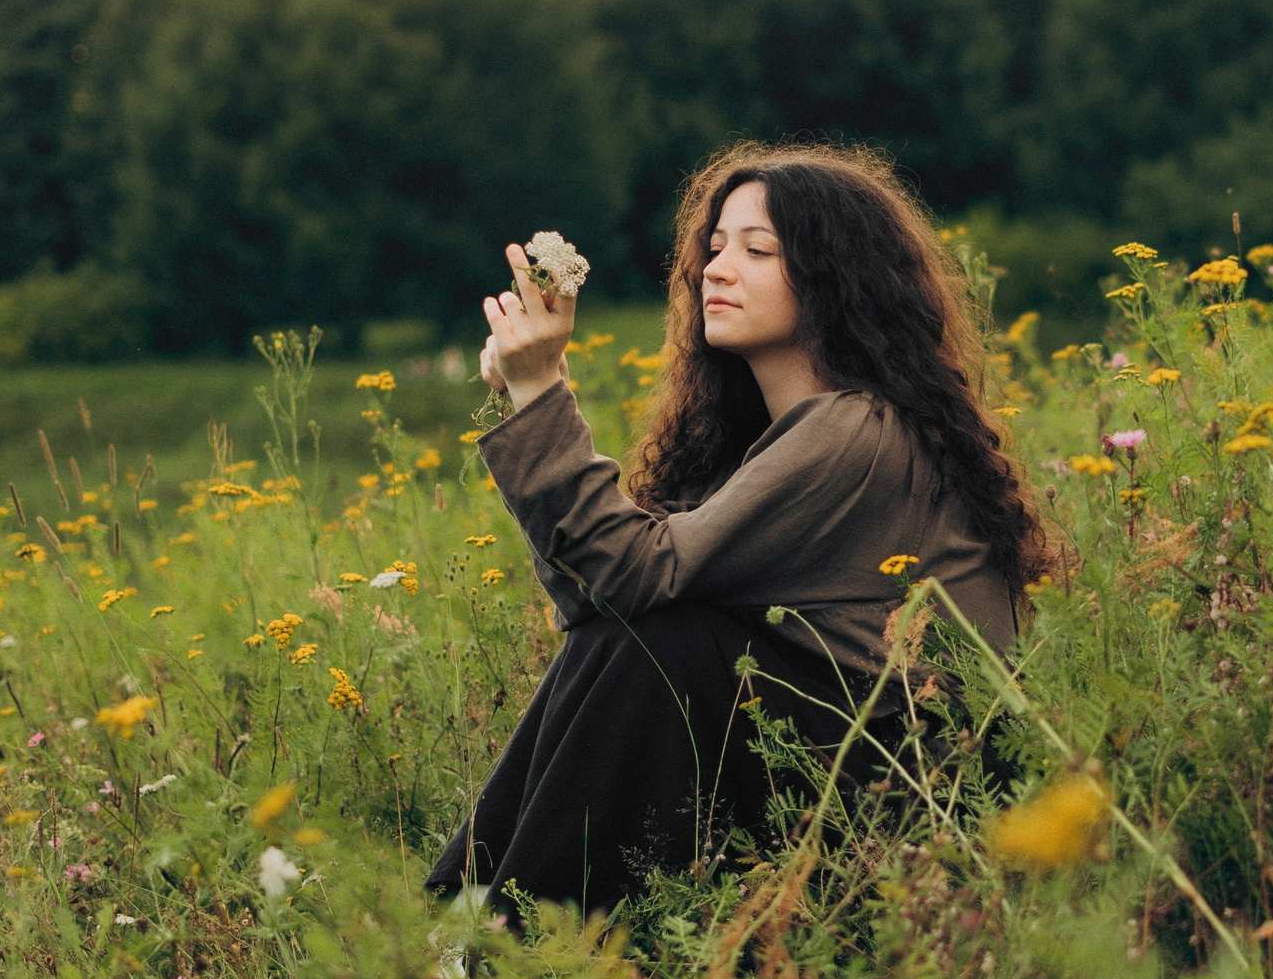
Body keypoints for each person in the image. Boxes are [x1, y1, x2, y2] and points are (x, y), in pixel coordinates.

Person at [425, 144, 1054, 913]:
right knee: (645, 633)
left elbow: (633, 578)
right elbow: (600, 599)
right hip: (831, 765)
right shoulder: (764, 438)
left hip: (911, 803)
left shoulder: (857, 430)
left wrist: (545, 390)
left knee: (669, 639)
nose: (716, 269)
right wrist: (531, 399)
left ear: (834, 278)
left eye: (758, 250)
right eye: (714, 247)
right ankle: (486, 919)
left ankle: (496, 930)